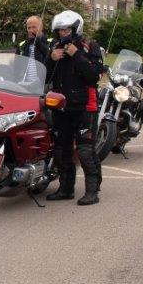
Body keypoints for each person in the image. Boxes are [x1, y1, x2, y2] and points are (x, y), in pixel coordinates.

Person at [45, 10, 105, 205]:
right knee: (62, 149)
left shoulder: (90, 46)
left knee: (85, 150)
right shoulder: (54, 47)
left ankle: (92, 191)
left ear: (75, 29)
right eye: (60, 30)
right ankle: (65, 188)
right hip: (61, 106)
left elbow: (95, 74)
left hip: (85, 106)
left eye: (67, 30)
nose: (63, 33)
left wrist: (77, 55)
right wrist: (51, 59)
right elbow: (43, 77)